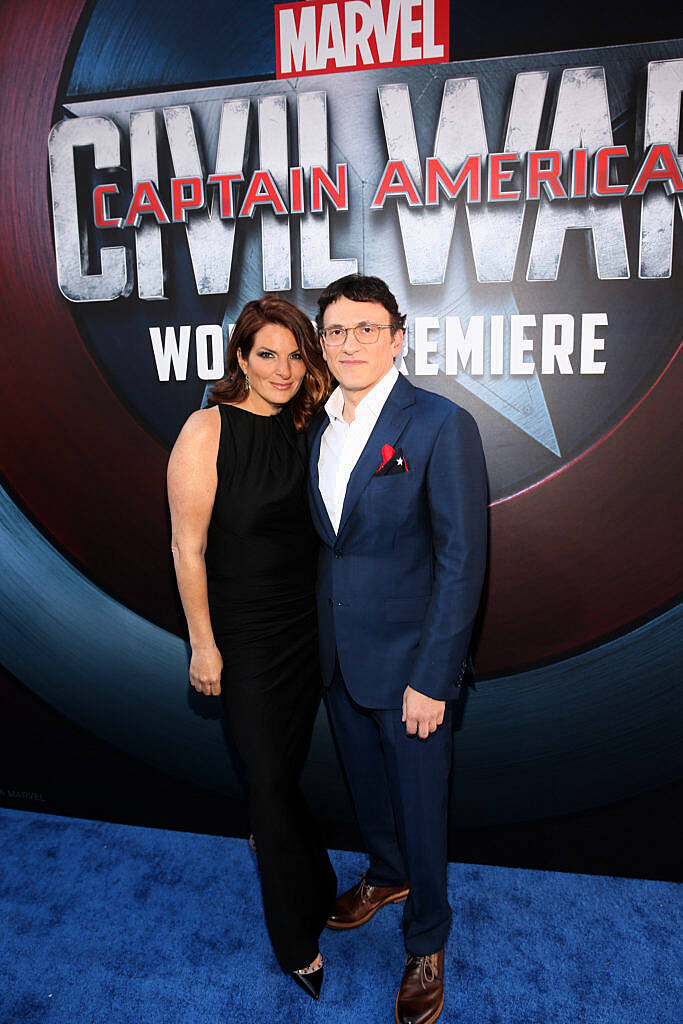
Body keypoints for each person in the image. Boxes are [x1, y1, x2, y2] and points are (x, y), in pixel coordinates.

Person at [307, 275, 488, 1024]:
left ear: (396, 338)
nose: (348, 343)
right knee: (368, 794)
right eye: (335, 330)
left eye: (364, 329)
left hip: (413, 668)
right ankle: (385, 876)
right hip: (337, 659)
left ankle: (426, 943)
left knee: (421, 807)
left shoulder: (441, 425)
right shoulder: (316, 425)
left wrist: (433, 677)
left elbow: (461, 561)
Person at [167, 296, 337, 999]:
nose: (283, 368)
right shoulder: (207, 429)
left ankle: (318, 877)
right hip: (240, 635)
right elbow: (187, 546)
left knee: (283, 772)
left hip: (306, 629)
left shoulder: (313, 428)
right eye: (267, 353)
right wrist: (203, 646)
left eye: (296, 355)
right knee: (265, 778)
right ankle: (295, 940)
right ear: (239, 358)